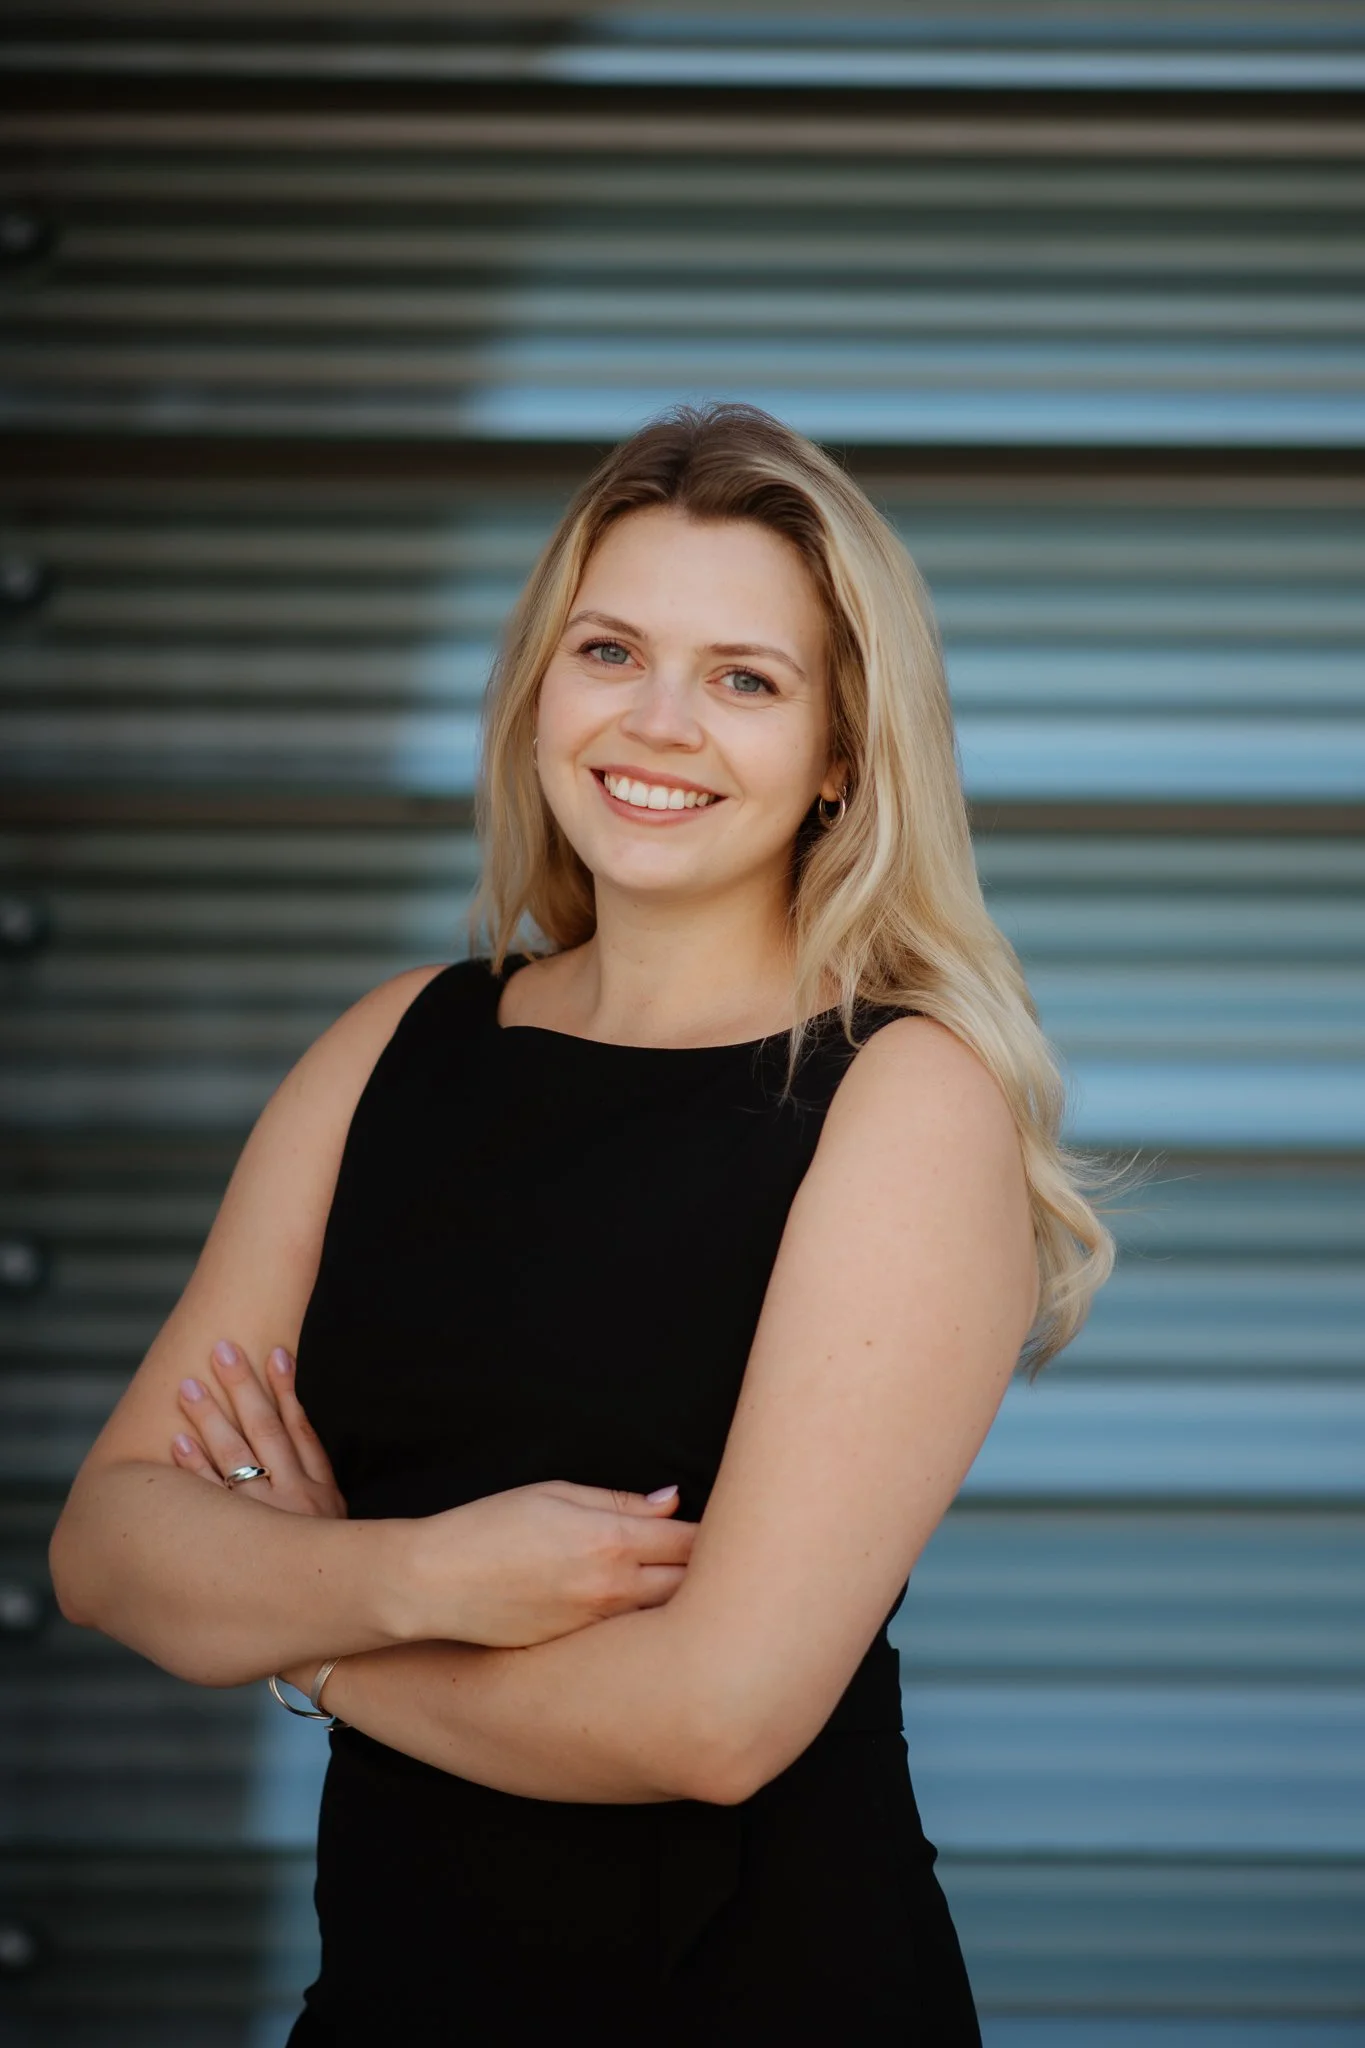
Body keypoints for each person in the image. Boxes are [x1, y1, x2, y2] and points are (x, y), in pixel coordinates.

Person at [50, 402, 1113, 2042]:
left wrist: (309, 1630)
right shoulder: (393, 1046)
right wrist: (422, 1572)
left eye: (745, 679)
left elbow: (717, 1720)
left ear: (841, 756)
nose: (660, 722)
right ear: (543, 687)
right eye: (611, 650)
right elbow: (111, 1545)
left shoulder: (901, 1101)